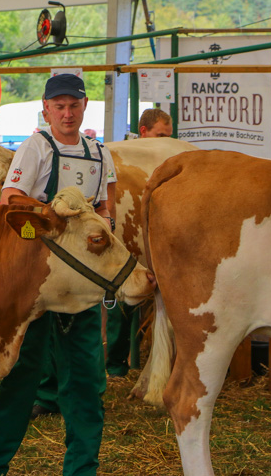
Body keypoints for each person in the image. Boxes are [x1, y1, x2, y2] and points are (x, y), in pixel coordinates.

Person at [0, 73, 116, 476]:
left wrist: (102, 225)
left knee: (85, 383)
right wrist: (52, 212)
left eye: (73, 105)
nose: (67, 113)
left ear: (84, 106)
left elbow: (105, 207)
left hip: (81, 285)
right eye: (59, 106)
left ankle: (82, 468)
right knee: (20, 379)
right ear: (46, 108)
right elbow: (10, 199)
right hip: (36, 284)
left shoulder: (101, 154)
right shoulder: (38, 146)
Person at [105, 108, 173, 378]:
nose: (165, 141)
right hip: (126, 244)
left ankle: (130, 363)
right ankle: (116, 366)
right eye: (160, 135)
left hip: (153, 244)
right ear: (143, 132)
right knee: (121, 305)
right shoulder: (124, 161)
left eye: (169, 136)